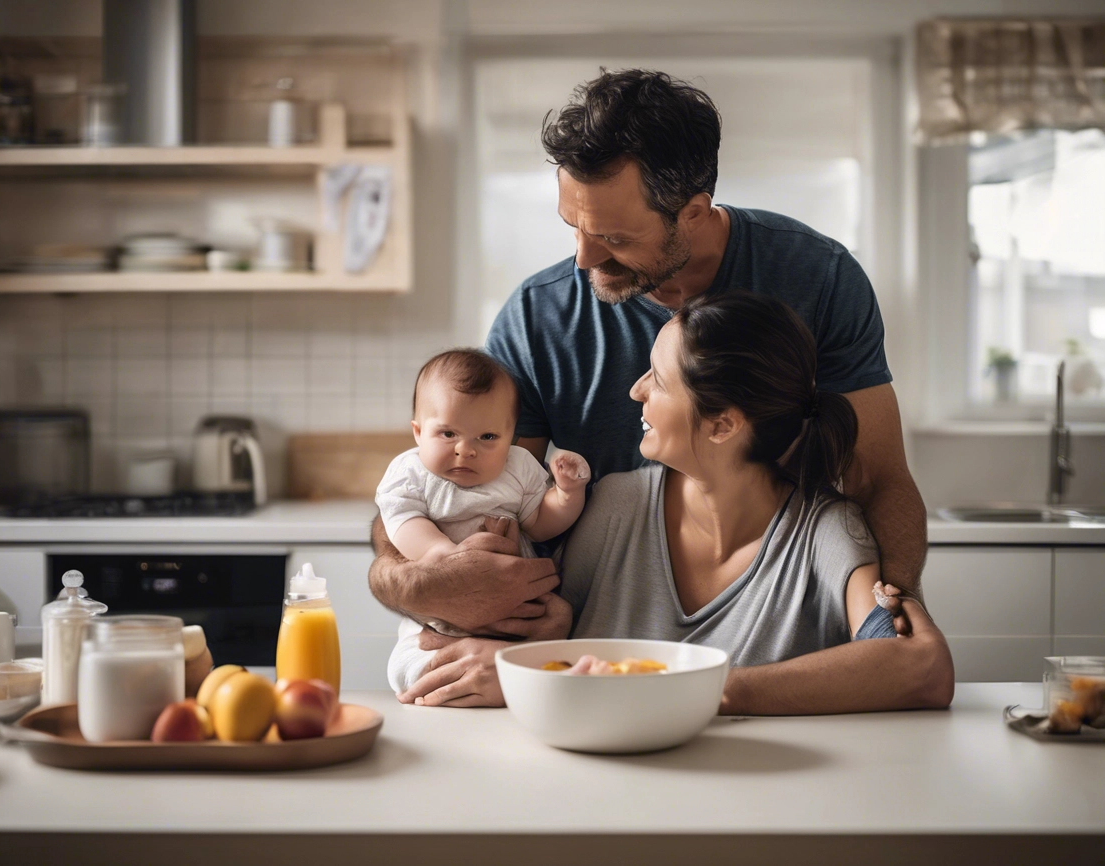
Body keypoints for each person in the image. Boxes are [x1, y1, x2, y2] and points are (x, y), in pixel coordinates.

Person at [369, 67, 923, 662]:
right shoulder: (538, 318)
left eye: (613, 237)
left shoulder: (818, 279)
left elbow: (877, 477)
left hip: (771, 637)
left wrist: (888, 626)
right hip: (595, 638)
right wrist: (444, 598)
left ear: (693, 212)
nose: (584, 258)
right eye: (573, 227)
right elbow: (479, 495)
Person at [396, 293, 953, 713]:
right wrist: (532, 659)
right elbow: (545, 629)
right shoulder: (612, 505)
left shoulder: (826, 531)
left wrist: (712, 688)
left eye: (658, 380)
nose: (637, 390)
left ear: (723, 424)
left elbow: (921, 668)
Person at [375, 349, 590, 693]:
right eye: (447, 434)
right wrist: (442, 553)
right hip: (439, 621)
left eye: (487, 437)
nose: (465, 449)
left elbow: (540, 523)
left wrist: (566, 495)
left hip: (517, 619)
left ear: (511, 437)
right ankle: (436, 685)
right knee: (409, 664)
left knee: (539, 668)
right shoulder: (410, 472)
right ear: (418, 432)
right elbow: (401, 519)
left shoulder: (518, 468)